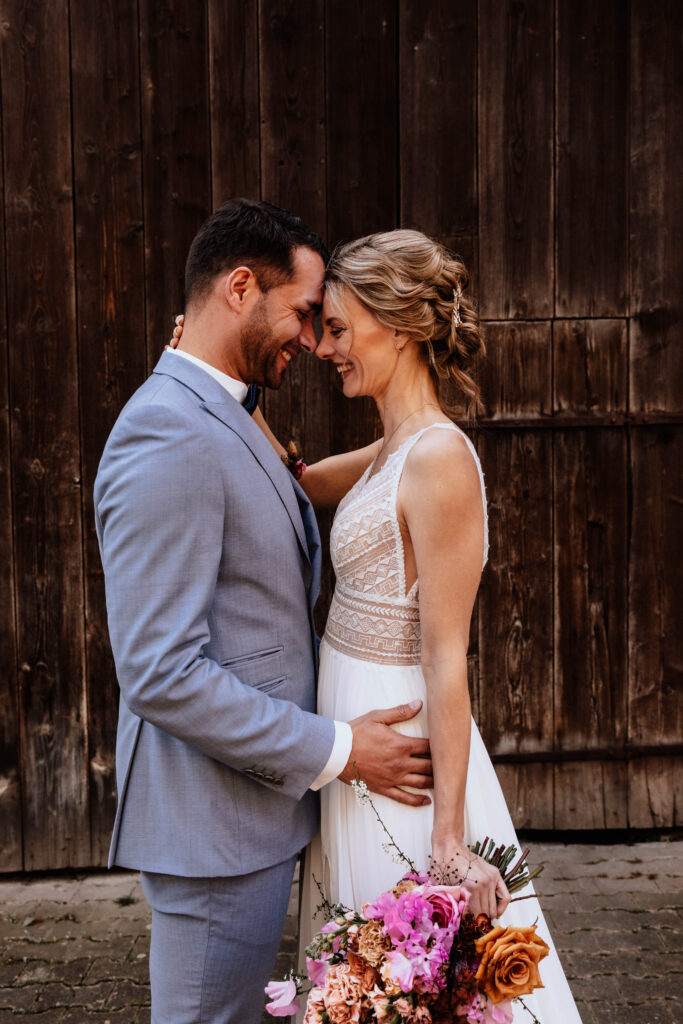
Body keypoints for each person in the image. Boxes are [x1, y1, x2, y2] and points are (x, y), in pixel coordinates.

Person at [94, 200, 436, 1024]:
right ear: (240, 287)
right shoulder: (168, 432)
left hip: (247, 817)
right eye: (305, 314)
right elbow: (161, 674)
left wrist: (426, 433)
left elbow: (275, 481)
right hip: (211, 828)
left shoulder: (218, 405)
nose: (315, 341)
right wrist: (342, 749)